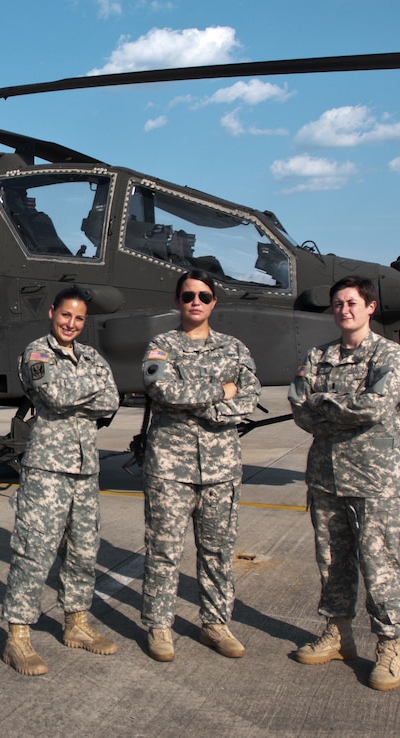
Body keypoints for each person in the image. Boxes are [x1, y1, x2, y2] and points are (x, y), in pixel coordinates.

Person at [288, 275, 400, 692]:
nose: (345, 309)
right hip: (326, 477)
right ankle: (338, 633)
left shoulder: (389, 356)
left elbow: (375, 408)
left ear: (370, 308)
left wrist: (326, 405)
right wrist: (334, 409)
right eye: (339, 303)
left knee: (379, 564)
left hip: (373, 480)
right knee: (331, 560)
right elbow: (299, 407)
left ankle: (390, 644)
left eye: (352, 302)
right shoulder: (319, 355)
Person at [140, 270, 260, 662]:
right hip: (170, 468)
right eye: (188, 295)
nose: (196, 301)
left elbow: (249, 397)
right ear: (178, 301)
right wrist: (219, 391)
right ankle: (160, 626)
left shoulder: (235, 348)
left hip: (221, 467)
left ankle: (215, 624)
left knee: (218, 552)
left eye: (204, 296)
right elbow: (162, 389)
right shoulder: (161, 345)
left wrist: (203, 403)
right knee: (163, 550)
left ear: (214, 303)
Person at [2, 285, 120, 675]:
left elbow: (113, 400)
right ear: (52, 312)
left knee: (84, 552)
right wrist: (90, 389)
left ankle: (77, 624)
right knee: (34, 552)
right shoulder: (37, 352)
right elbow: (53, 395)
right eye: (65, 315)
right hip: (47, 470)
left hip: (85, 471)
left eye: (79, 318)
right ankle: (18, 638)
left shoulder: (91, 356)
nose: (71, 323)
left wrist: (79, 391)